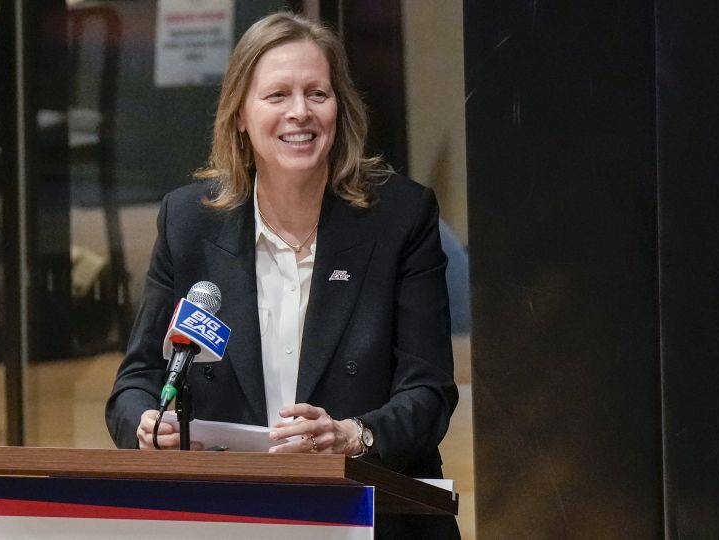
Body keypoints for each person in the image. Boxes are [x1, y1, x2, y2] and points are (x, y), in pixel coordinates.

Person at [106, 12, 459, 538]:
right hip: (234, 518)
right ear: (240, 115)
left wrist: (353, 435)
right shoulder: (188, 223)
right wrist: (147, 426)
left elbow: (429, 392)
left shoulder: (400, 218)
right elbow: (135, 384)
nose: (300, 113)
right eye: (277, 96)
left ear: (340, 109)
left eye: (317, 93)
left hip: (373, 518)